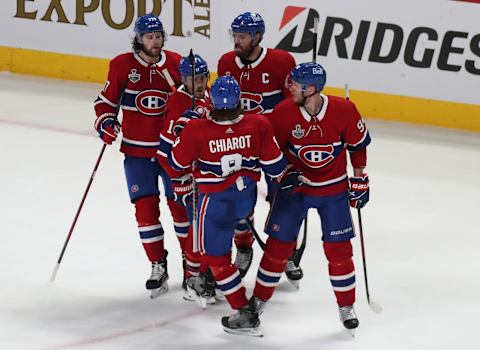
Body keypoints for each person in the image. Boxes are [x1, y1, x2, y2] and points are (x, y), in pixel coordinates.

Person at [250, 62, 371, 334]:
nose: (288, 86)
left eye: (294, 83)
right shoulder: (282, 113)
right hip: (296, 191)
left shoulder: (344, 110)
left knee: (339, 251)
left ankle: (346, 306)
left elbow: (357, 145)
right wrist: (282, 173)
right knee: (278, 248)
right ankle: (257, 301)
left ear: (311, 88)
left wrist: (360, 177)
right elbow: (269, 151)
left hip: (333, 191)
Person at [168, 75, 289, 336]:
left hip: (215, 203)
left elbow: (177, 163)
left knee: (215, 257)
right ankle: (242, 248)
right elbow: (276, 166)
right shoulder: (259, 123)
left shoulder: (197, 129)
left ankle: (243, 310)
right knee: (236, 224)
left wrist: (182, 128)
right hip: (246, 199)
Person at [93, 13, 183, 298]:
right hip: (136, 152)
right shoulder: (122, 66)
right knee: (145, 212)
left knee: (181, 210)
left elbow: (198, 100)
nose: (155, 42)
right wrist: (106, 122)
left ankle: (192, 268)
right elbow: (105, 102)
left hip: (173, 154)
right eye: (149, 37)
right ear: (138, 39)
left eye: (158, 37)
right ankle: (158, 265)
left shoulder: (178, 63)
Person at [217, 11, 299, 281]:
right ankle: (243, 248)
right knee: (240, 200)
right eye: (235, 35)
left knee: (283, 199)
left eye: (241, 36)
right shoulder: (227, 62)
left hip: (275, 146)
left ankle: (286, 253)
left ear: (257, 36)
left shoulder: (281, 62)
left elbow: (294, 104)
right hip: (241, 146)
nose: (236, 41)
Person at [156, 53, 215, 302]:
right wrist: (178, 180)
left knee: (209, 228)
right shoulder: (178, 102)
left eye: (202, 77)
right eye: (193, 79)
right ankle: (193, 278)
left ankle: (207, 274)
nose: (199, 83)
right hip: (186, 179)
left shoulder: (211, 95)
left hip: (207, 177)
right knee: (192, 230)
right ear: (183, 80)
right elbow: (165, 151)